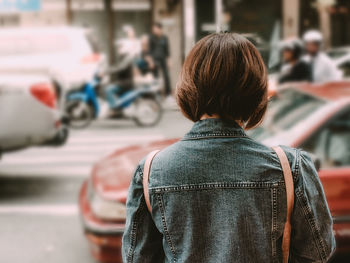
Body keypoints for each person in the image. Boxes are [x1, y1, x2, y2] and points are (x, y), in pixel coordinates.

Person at [122, 33, 335, 262]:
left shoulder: (151, 172)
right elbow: (318, 251)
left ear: (189, 86)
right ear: (255, 90)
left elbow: (137, 258)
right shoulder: (290, 168)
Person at [149, 22, 171, 96]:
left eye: (155, 29)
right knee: (155, 76)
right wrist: (151, 61)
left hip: (163, 59)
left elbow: (167, 50)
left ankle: (168, 93)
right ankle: (157, 93)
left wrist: (169, 61)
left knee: (166, 75)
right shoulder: (151, 38)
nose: (154, 30)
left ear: (160, 29)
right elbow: (150, 50)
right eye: (153, 29)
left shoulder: (165, 38)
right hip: (155, 59)